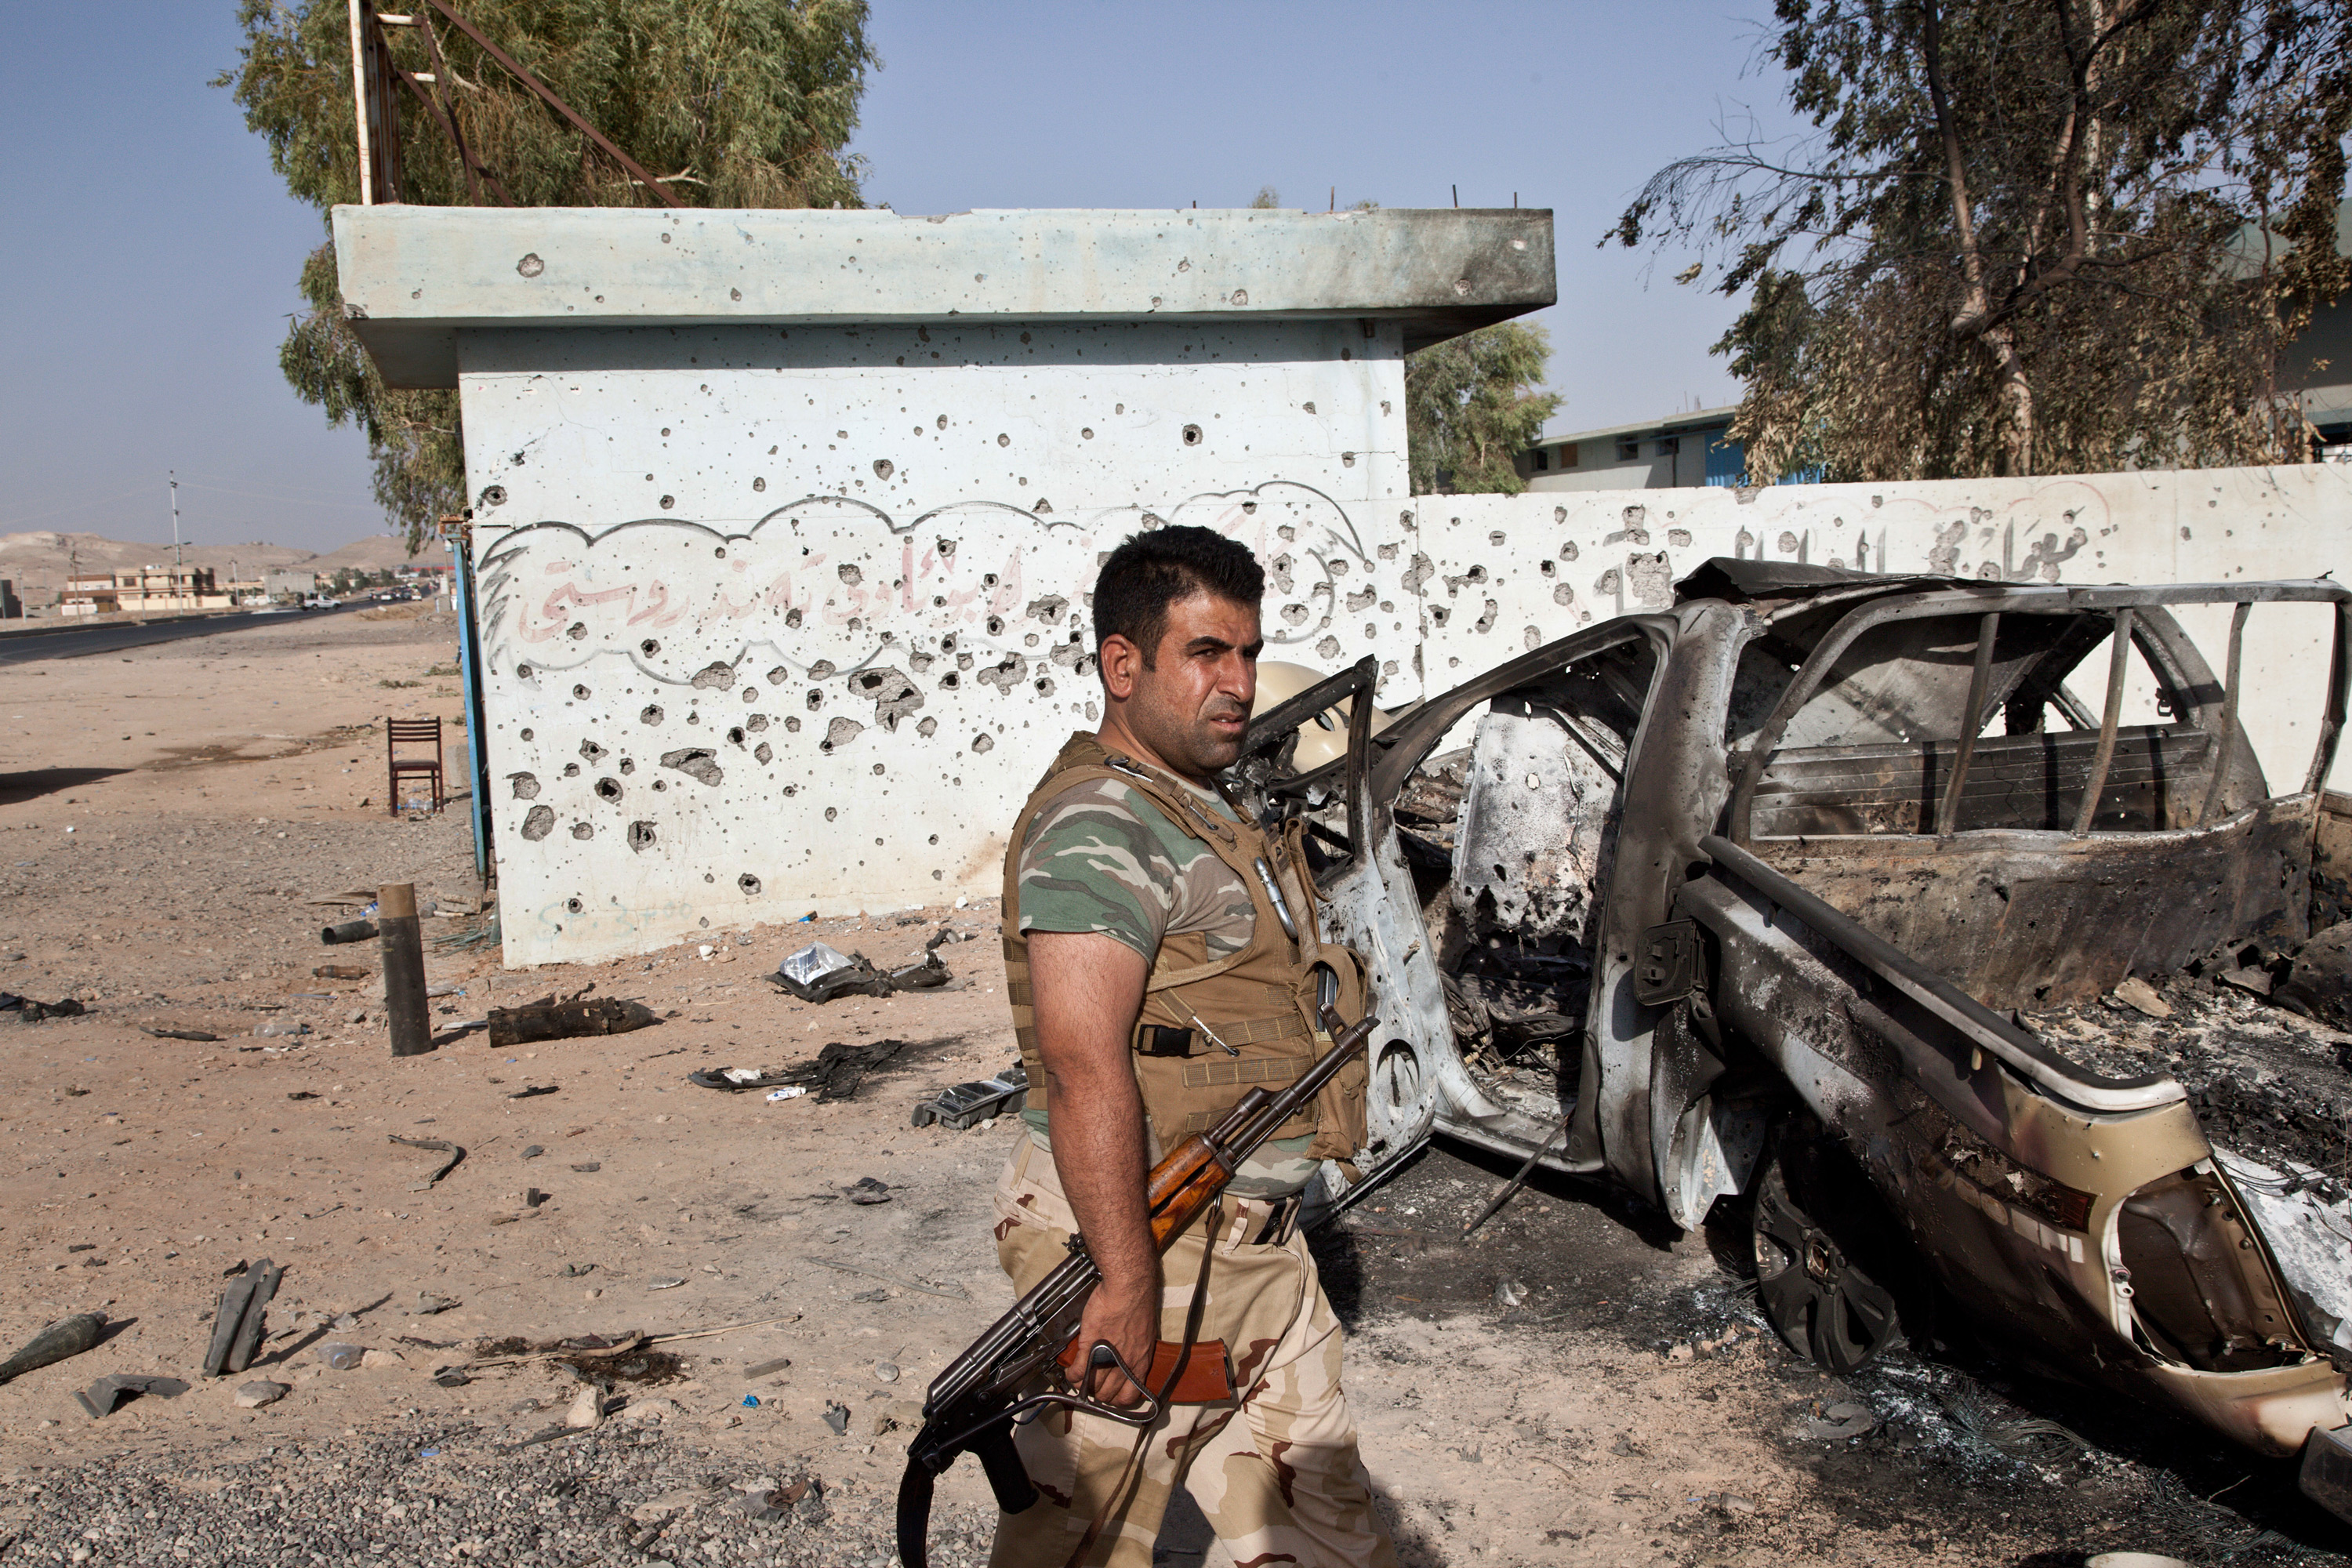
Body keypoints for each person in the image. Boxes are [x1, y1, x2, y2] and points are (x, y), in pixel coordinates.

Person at [987, 524, 1398, 1567]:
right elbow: (1084, 1069)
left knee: (1330, 1536)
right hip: (1140, 1231)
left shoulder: (1205, 811)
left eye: (1250, 652)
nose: (1240, 681)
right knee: (1081, 1542)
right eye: (1207, 653)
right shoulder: (1099, 828)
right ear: (1123, 667)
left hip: (1255, 1238)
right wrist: (1122, 1285)